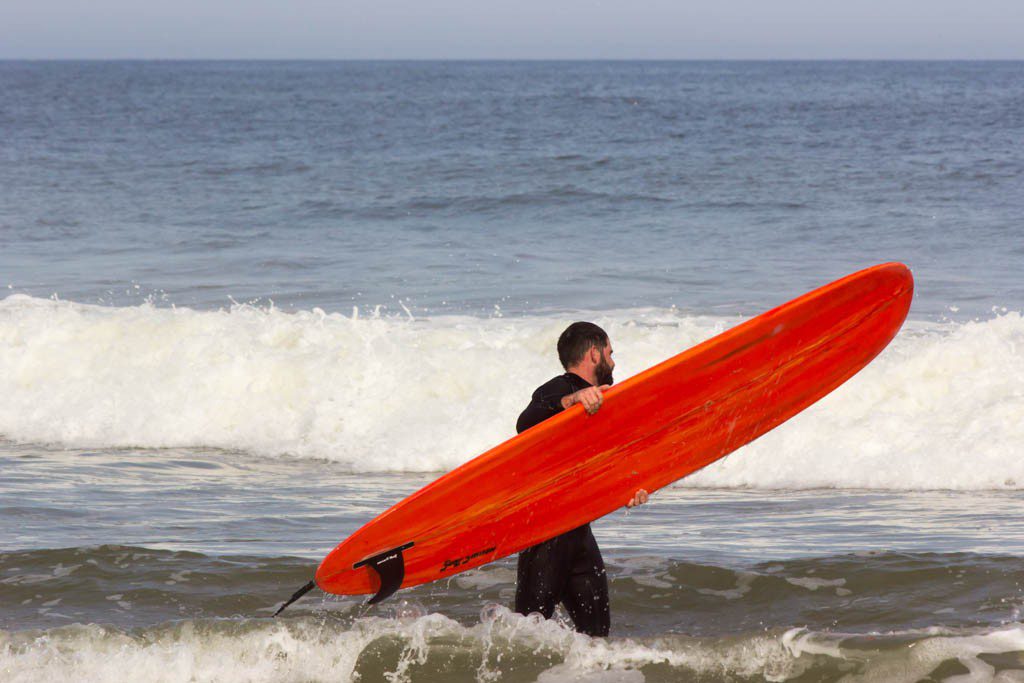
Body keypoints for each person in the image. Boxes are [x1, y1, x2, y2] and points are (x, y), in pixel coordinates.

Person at [514, 321, 648, 637]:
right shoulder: (560, 388)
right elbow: (526, 421)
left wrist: (629, 490)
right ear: (594, 354)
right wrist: (571, 401)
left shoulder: (600, 407)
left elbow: (595, 467)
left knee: (598, 636)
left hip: (579, 535)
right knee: (525, 637)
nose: (613, 362)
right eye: (610, 353)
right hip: (546, 535)